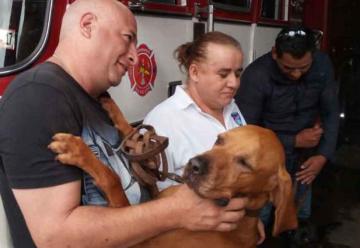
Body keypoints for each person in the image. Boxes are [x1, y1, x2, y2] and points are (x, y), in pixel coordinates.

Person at [0, 1, 248, 247]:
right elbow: (56, 238)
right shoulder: (39, 95)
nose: (134, 57)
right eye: (127, 38)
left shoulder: (98, 100)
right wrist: (176, 211)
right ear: (87, 25)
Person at [143, 31, 265, 244]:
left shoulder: (232, 108)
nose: (234, 83)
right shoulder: (163, 120)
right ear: (195, 72)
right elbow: (154, 204)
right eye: (223, 74)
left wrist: (250, 217)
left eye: (238, 73)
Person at [235, 26, 339, 243]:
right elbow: (245, 132)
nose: (296, 74)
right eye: (288, 68)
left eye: (303, 68)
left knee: (299, 217)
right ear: (275, 53)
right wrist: (293, 140)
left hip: (304, 161)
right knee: (258, 220)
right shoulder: (256, 75)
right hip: (265, 161)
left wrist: (322, 156)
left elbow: (331, 114)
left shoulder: (322, 65)